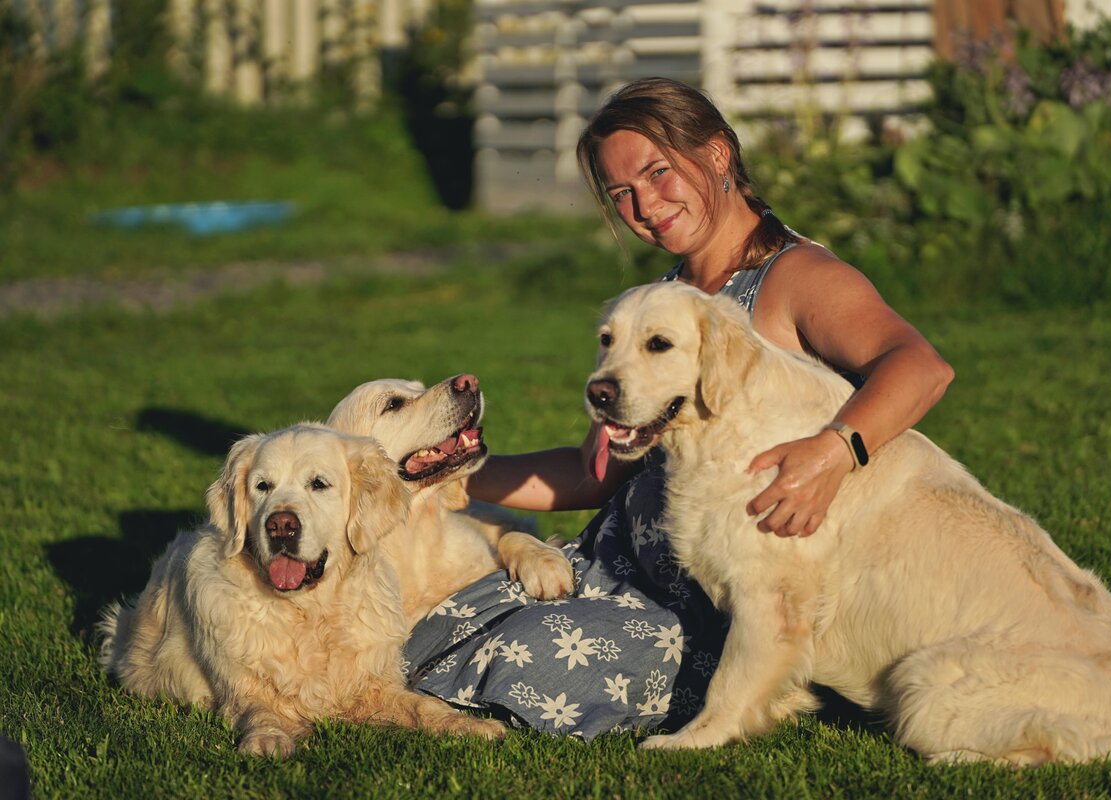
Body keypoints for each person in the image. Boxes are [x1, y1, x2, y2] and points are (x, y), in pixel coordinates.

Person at [403, 77, 953, 737]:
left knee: (530, 660)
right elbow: (594, 471)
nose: (646, 205)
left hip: (719, 602)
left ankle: (773, 686)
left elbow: (919, 367)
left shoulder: (796, 278)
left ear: (719, 155)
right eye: (622, 194)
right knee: (436, 626)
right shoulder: (662, 299)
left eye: (658, 173)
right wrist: (447, 472)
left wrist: (833, 454)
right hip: (615, 566)